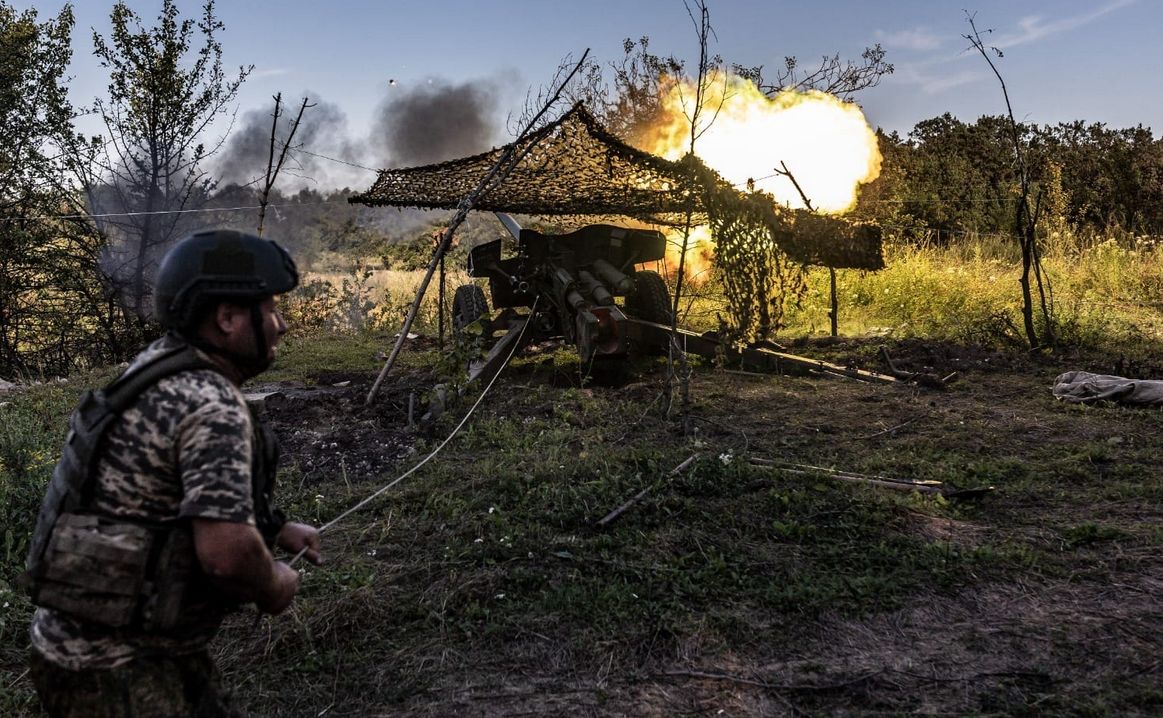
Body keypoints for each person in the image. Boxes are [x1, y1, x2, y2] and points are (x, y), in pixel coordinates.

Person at [23, 229, 322, 717]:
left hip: (81, 646)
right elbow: (227, 556)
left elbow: (151, 493)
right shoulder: (212, 404)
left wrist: (276, 528)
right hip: (119, 665)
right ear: (227, 319)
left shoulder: (156, 364)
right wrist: (274, 586)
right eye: (269, 309)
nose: (281, 325)